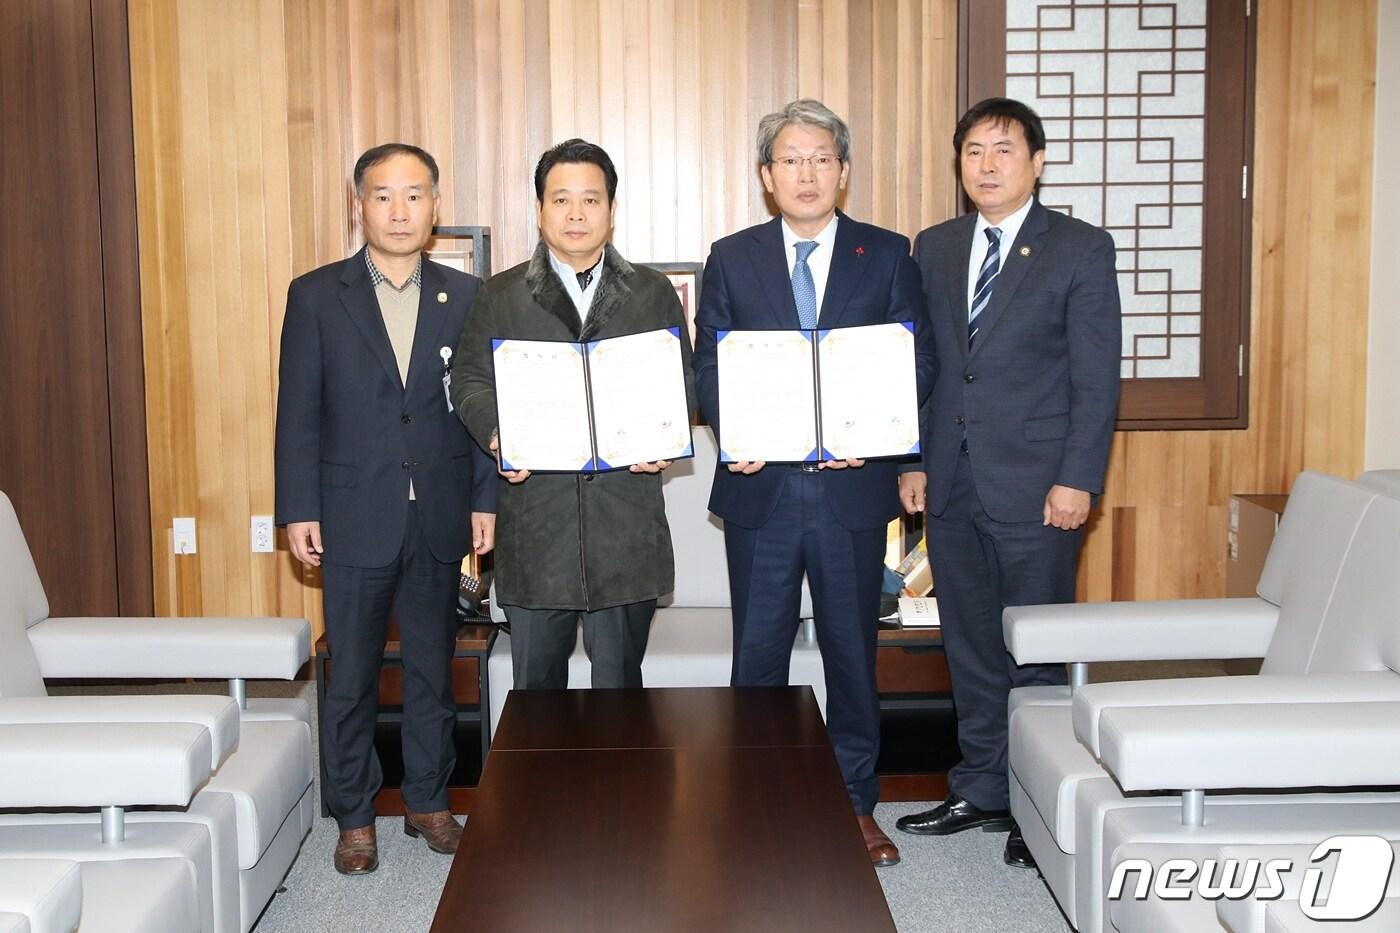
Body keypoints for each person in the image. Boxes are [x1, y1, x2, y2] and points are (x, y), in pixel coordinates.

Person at [692, 99, 936, 868]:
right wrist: (738, 432)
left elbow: (917, 359)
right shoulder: (732, 257)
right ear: (767, 176)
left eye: (821, 158)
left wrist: (873, 434)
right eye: (791, 160)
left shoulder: (886, 253)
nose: (807, 173)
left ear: (844, 171)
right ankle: (758, 799)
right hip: (762, 491)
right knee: (757, 657)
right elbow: (709, 362)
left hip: (850, 493)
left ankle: (855, 804)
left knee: (850, 655)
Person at [894, 98, 1121, 868]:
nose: (987, 166)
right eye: (974, 152)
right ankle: (983, 787)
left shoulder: (1079, 249)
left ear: (1037, 162)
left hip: (1040, 487)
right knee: (970, 647)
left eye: (1004, 150)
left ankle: (1038, 804)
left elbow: (1096, 379)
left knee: (1037, 652)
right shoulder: (935, 246)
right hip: (952, 483)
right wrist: (915, 460)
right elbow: (926, 370)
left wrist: (1078, 477)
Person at [274, 143, 497, 875]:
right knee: (352, 677)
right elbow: (298, 412)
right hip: (351, 512)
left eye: (414, 195)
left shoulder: (467, 296)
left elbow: (482, 411)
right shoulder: (316, 295)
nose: (399, 211)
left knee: (434, 669)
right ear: (359, 205)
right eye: (383, 195)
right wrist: (298, 507)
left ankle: (429, 800)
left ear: (435, 206)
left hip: (438, 514)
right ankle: (355, 816)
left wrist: (485, 499)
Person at [451, 138, 695, 691]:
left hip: (625, 530)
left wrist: (662, 438)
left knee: (620, 700)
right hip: (537, 530)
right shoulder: (502, 294)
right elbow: (469, 379)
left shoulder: (652, 292)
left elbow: (681, 380)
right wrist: (498, 434)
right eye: (561, 200)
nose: (576, 214)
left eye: (591, 199)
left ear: (611, 209)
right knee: (537, 703)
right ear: (540, 210)